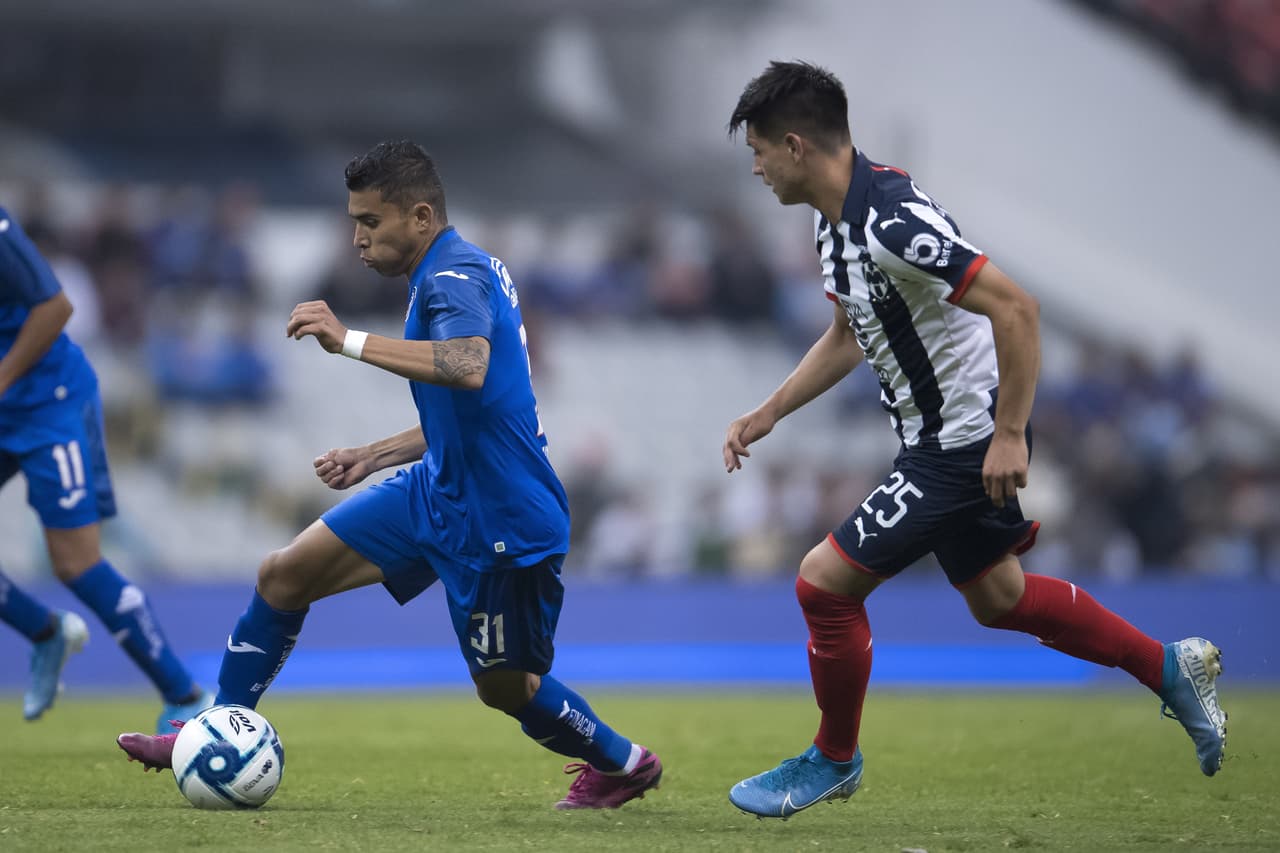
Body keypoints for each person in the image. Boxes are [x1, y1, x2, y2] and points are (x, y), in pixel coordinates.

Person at [719, 61, 1226, 819]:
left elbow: (1017, 307)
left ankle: (832, 757)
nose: (754, 166)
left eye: (758, 149)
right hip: (939, 441)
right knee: (1000, 598)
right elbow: (848, 336)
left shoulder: (891, 219)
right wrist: (770, 411)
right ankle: (1170, 668)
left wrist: (1010, 434)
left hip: (958, 445)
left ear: (795, 145)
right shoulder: (836, 223)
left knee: (822, 582)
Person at [116, 141, 663, 810]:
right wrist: (375, 455)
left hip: (502, 520)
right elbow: (476, 410)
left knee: (505, 687)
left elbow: (469, 365)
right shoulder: (451, 270)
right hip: (438, 489)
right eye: (354, 222)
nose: (357, 239)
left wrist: (345, 340)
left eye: (370, 223)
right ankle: (204, 732)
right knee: (284, 574)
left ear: (421, 216)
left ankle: (622, 760)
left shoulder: (452, 275)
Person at [0, 206, 211, 730]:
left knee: (74, 562)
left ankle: (185, 696)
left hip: (50, 402)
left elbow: (55, 307)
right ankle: (46, 632)